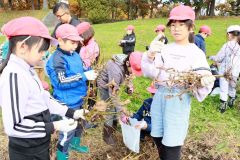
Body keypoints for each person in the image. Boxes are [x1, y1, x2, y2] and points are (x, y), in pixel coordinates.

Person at [0, 17, 87, 160]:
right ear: (22, 46)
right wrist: (54, 126)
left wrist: (71, 112)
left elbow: (44, 97)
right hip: (27, 150)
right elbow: (14, 127)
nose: (43, 55)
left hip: (38, 144)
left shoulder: (28, 69)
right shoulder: (14, 76)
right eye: (41, 50)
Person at [141, 5, 215, 160]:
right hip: (160, 96)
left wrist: (203, 80)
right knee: (157, 135)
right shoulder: (165, 49)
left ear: (190, 27)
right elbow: (150, 72)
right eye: (173, 25)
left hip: (178, 99)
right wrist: (150, 55)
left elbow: (203, 76)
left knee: (172, 141)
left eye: (181, 25)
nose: (176, 29)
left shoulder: (195, 52)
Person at [46, 24, 98, 159]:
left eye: (77, 42)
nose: (75, 45)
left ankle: (75, 143)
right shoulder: (57, 59)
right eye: (72, 42)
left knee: (80, 124)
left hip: (79, 98)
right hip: (67, 102)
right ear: (60, 40)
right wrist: (83, 76)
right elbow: (61, 82)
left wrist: (88, 71)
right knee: (67, 130)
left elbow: (80, 69)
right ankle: (62, 154)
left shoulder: (74, 54)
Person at [97, 51, 142, 145]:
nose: (134, 73)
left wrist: (130, 87)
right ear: (127, 63)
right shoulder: (115, 70)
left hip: (115, 85)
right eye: (133, 70)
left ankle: (113, 127)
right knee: (110, 109)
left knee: (115, 107)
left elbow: (129, 76)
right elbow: (113, 94)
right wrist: (122, 112)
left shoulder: (129, 61)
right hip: (105, 86)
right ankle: (107, 135)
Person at [209, 25, 240, 113]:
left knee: (224, 88)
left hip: (225, 71)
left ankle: (223, 107)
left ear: (230, 34)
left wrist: (211, 57)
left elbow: (219, 58)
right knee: (232, 87)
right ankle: (232, 100)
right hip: (235, 72)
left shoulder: (227, 45)